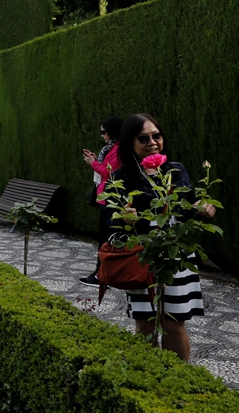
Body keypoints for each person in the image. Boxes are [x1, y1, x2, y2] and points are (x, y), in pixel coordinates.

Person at [100, 113, 215, 361]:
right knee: (146, 324)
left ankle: (177, 381)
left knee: (174, 324)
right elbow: (108, 217)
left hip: (176, 254)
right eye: (143, 138)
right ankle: (147, 380)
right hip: (142, 256)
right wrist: (122, 216)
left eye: (157, 135)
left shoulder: (176, 170)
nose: (152, 142)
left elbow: (189, 202)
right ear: (130, 142)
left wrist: (201, 206)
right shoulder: (121, 179)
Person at [78, 116, 125, 286]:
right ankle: (105, 274)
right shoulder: (112, 148)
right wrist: (95, 160)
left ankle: (101, 276)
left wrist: (93, 163)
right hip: (107, 199)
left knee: (106, 240)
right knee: (107, 239)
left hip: (112, 199)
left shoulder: (119, 149)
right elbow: (106, 167)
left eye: (104, 132)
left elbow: (110, 173)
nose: (102, 136)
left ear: (112, 132)